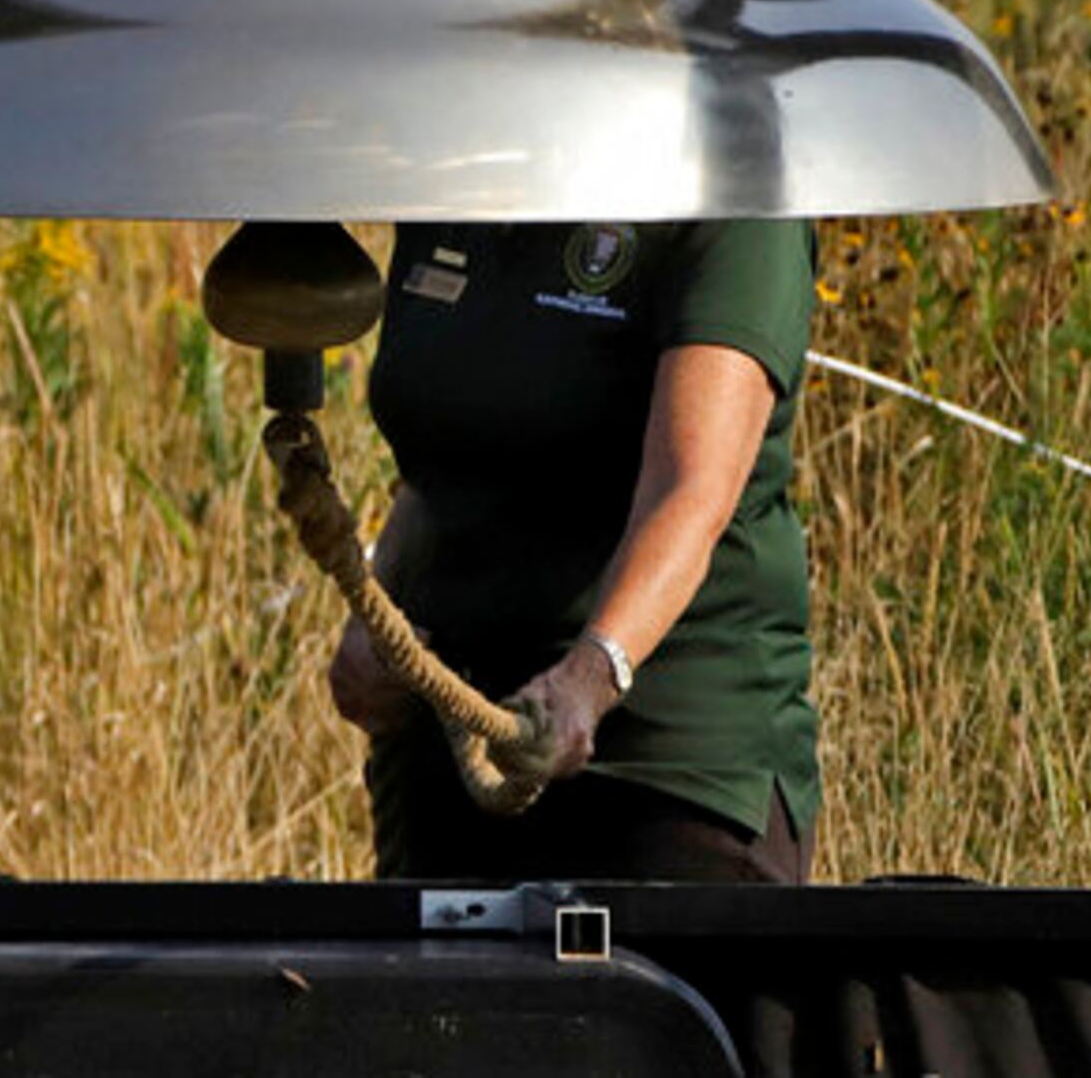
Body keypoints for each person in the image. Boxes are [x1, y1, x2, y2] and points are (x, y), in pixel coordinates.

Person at [329, 216, 818, 883]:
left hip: (662, 776)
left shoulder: (731, 206)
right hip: (454, 771)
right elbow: (443, 462)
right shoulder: (462, 177)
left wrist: (591, 674)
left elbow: (690, 489)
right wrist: (375, 616)